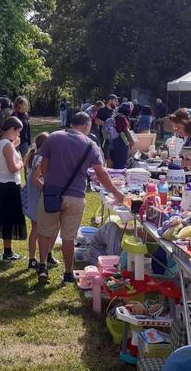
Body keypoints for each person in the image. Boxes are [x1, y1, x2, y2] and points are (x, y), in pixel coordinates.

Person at [36, 112, 125, 284]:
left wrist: (48, 181)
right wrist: (115, 192)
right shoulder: (90, 144)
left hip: (51, 194)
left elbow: (43, 163)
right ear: (86, 126)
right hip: (76, 196)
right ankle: (68, 273)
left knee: (45, 232)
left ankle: (42, 266)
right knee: (69, 237)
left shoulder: (54, 137)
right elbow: (101, 172)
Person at [0, 116, 27, 261]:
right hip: (8, 185)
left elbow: (4, 154)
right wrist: (22, 163)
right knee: (8, 219)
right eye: (17, 132)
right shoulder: (7, 145)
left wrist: (13, 145)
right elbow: (11, 168)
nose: (18, 135)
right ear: (11, 130)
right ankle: (8, 252)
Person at [22, 132, 59, 269]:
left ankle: (34, 258)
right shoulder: (41, 158)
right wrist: (46, 189)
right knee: (46, 228)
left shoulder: (34, 156)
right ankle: (45, 255)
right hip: (38, 199)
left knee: (36, 229)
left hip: (32, 198)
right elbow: (36, 178)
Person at [110, 103, 135, 169]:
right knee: (121, 161)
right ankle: (119, 176)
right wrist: (131, 141)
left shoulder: (116, 116)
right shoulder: (122, 118)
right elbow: (126, 130)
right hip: (122, 140)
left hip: (116, 140)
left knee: (117, 160)